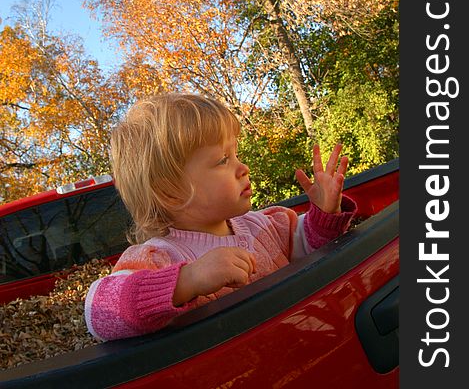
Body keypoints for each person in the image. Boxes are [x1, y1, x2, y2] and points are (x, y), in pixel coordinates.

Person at [85, 93, 357, 341]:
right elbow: (100, 314)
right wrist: (187, 280)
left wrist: (323, 215)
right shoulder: (161, 257)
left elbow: (310, 253)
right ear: (170, 192)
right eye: (222, 160)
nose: (243, 167)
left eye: (235, 153)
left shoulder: (264, 226)